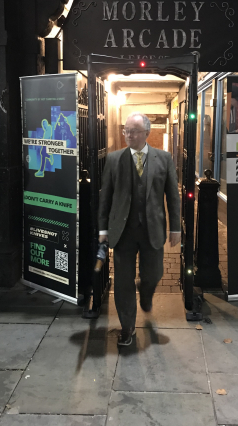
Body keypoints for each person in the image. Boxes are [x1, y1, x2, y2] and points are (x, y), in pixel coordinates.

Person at [98, 112, 181, 346]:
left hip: (152, 230)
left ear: (147, 133)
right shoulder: (114, 160)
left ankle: (146, 292)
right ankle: (128, 328)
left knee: (154, 274)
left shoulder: (164, 159)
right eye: (126, 130)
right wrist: (103, 229)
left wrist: (176, 227)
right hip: (122, 232)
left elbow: (173, 196)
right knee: (123, 281)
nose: (128, 135)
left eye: (133, 131)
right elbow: (106, 198)